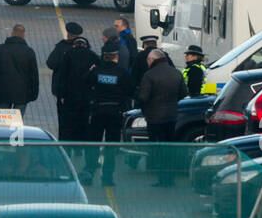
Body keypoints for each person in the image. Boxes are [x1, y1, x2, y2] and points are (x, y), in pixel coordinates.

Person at [137, 49, 186, 187]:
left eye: (148, 61)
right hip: (171, 116)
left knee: (158, 149)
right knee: (170, 148)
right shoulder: (176, 72)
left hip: (154, 118)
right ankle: (170, 178)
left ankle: (162, 178)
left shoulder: (149, 75)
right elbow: (184, 93)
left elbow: (143, 97)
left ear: (152, 60)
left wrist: (141, 103)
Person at [82, 42, 128, 187]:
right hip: (115, 114)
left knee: (93, 145)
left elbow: (84, 84)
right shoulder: (122, 72)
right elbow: (130, 91)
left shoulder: (96, 71)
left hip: (97, 112)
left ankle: (89, 173)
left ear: (104, 56)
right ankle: (107, 177)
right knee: (111, 147)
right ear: (115, 56)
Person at [47, 21, 95, 142]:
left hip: (65, 93)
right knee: (82, 121)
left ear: (68, 34)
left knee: (64, 121)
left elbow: (50, 63)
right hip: (85, 94)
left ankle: (64, 144)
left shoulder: (61, 47)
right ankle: (79, 146)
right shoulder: (89, 51)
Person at [0, 24, 38, 112]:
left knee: (5, 119)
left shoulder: (0, 49)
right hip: (22, 94)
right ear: (23, 36)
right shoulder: (29, 52)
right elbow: (34, 75)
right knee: (18, 121)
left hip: (4, 92)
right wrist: (34, 94)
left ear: (11, 34)